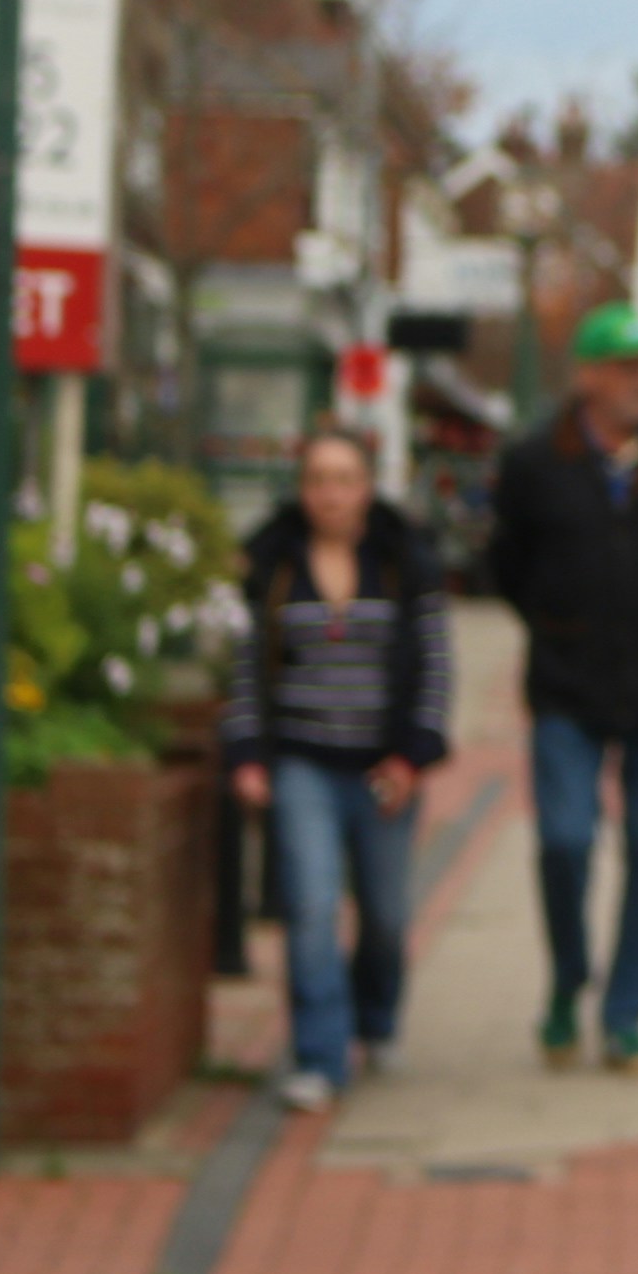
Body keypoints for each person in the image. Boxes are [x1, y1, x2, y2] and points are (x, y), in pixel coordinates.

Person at [492, 299, 638, 1073]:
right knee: (565, 842)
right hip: (567, 687)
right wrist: (562, 627)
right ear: (587, 376)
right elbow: (507, 569)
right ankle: (566, 983)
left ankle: (624, 1017)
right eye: (626, 366)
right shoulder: (532, 462)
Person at [222, 426, 453, 1115]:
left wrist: (414, 755)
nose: (331, 493)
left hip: (383, 768)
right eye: (318, 479)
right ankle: (319, 1056)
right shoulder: (270, 564)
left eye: (344, 478)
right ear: (302, 489)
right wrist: (248, 757)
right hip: (302, 764)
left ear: (367, 485)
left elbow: (436, 666)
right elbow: (243, 669)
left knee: (384, 916)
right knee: (312, 909)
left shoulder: (405, 560)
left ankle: (376, 1020)